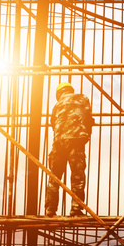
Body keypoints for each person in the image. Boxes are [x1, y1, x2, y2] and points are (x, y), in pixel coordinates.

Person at [44, 82, 94, 217]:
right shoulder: (82, 98)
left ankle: (50, 209)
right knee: (77, 175)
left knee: (54, 177)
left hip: (59, 142)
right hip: (76, 141)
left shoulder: (57, 105)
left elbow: (53, 124)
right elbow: (88, 118)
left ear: (59, 94)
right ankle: (76, 209)